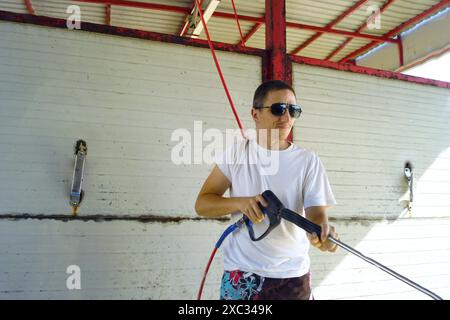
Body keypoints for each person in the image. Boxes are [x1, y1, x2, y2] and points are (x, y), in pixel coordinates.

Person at [195, 80, 339, 300]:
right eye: (278, 109)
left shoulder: (308, 161)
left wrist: (322, 232)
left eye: (293, 110)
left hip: (293, 277)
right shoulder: (236, 154)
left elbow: (316, 214)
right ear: (255, 114)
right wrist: (240, 203)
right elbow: (203, 204)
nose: (286, 117)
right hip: (243, 274)